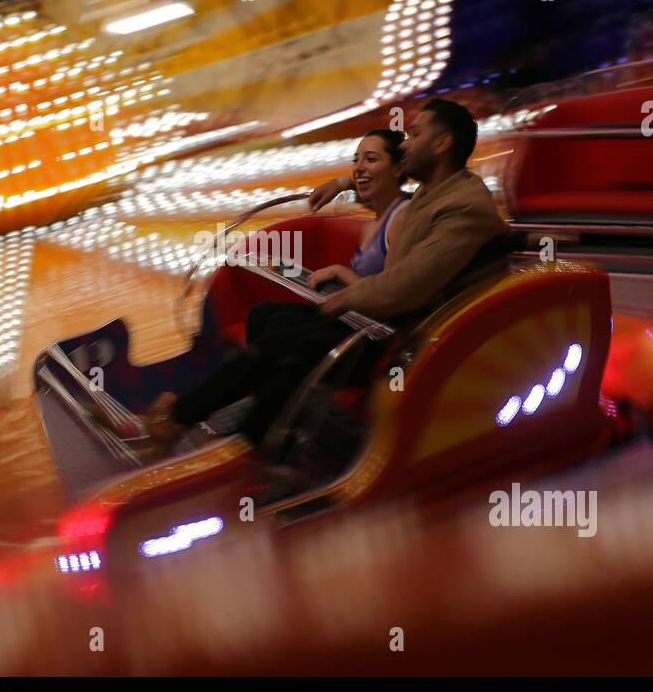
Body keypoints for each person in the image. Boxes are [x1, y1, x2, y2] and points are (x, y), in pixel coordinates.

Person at [144, 101, 507, 454]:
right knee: (270, 317)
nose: (406, 143)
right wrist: (343, 183)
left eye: (414, 135)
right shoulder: (433, 192)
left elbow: (407, 285)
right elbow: (390, 197)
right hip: (377, 318)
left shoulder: (464, 206)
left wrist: (345, 295)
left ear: (442, 143)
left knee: (282, 340)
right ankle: (259, 428)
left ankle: (194, 423)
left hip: (398, 338)